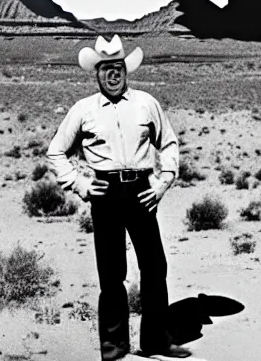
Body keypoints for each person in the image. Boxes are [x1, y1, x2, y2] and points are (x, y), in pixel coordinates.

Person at [47, 35, 192, 360]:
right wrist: (78, 183)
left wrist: (163, 180)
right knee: (111, 275)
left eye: (117, 68)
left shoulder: (146, 103)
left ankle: (155, 342)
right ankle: (113, 348)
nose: (112, 74)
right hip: (105, 193)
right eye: (105, 69)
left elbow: (168, 143)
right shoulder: (83, 110)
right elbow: (55, 151)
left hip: (142, 190)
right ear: (96, 73)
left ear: (125, 70)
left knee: (155, 267)